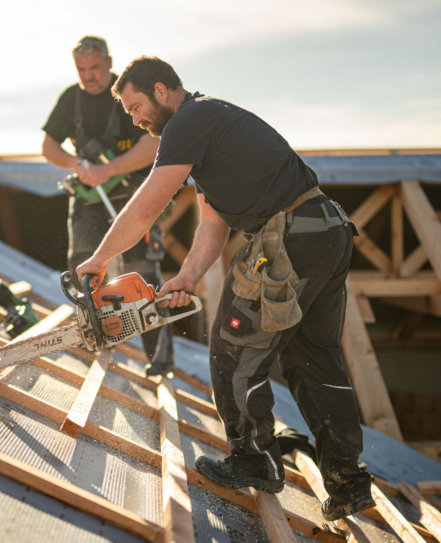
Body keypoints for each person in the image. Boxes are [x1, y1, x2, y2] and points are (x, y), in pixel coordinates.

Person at [75, 56, 375, 521]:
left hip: (289, 236)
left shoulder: (187, 122)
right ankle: (347, 482)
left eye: (136, 107)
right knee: (313, 357)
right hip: (326, 229)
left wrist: (97, 259)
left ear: (160, 90)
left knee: (231, 347)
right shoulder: (210, 122)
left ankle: (255, 460)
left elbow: (145, 208)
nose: (134, 119)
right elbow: (212, 226)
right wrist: (188, 277)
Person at [42, 37, 174, 375]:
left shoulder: (127, 95)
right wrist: (78, 165)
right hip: (89, 201)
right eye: (82, 70)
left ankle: (159, 360)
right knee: (83, 273)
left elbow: (152, 143)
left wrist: (107, 170)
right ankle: (95, 345)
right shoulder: (71, 99)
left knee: (143, 274)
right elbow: (48, 146)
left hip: (133, 196)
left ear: (109, 62)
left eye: (95, 68)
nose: (89, 76)